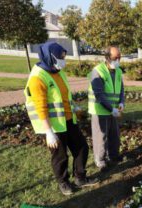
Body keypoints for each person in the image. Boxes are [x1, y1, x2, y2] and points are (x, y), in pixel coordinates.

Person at [24, 42, 98, 196]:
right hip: (53, 125)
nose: (63, 61)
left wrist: (74, 107)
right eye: (60, 58)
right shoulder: (38, 77)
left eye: (63, 57)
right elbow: (40, 107)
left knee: (82, 147)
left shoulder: (58, 71)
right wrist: (48, 132)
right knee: (60, 156)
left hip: (68, 119)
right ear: (49, 57)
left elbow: (64, 95)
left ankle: (80, 178)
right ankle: (63, 183)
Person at [88, 46, 125, 171]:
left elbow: (121, 89)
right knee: (101, 137)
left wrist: (121, 102)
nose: (118, 60)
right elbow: (99, 94)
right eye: (115, 58)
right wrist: (111, 109)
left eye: (120, 57)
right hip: (100, 110)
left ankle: (113, 156)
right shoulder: (98, 71)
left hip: (114, 110)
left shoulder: (118, 71)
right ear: (107, 57)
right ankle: (101, 161)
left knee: (114, 134)